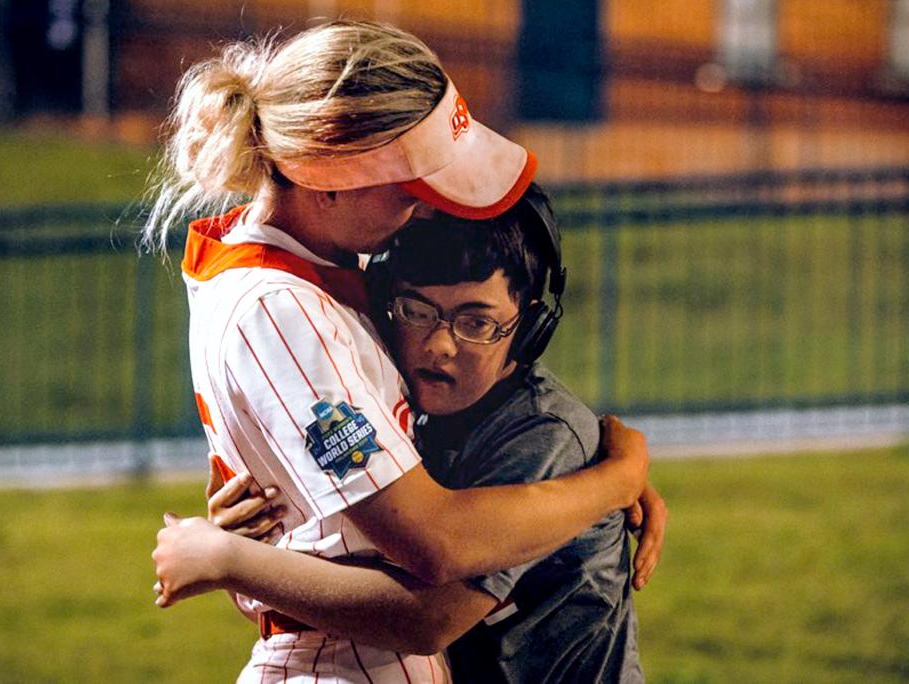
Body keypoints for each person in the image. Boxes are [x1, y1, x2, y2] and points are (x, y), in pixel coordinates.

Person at [147, 20, 650, 683]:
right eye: (412, 187)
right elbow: (433, 543)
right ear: (328, 171)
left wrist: (586, 464)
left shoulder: (317, 281)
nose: (422, 210)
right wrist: (615, 479)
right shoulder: (281, 308)